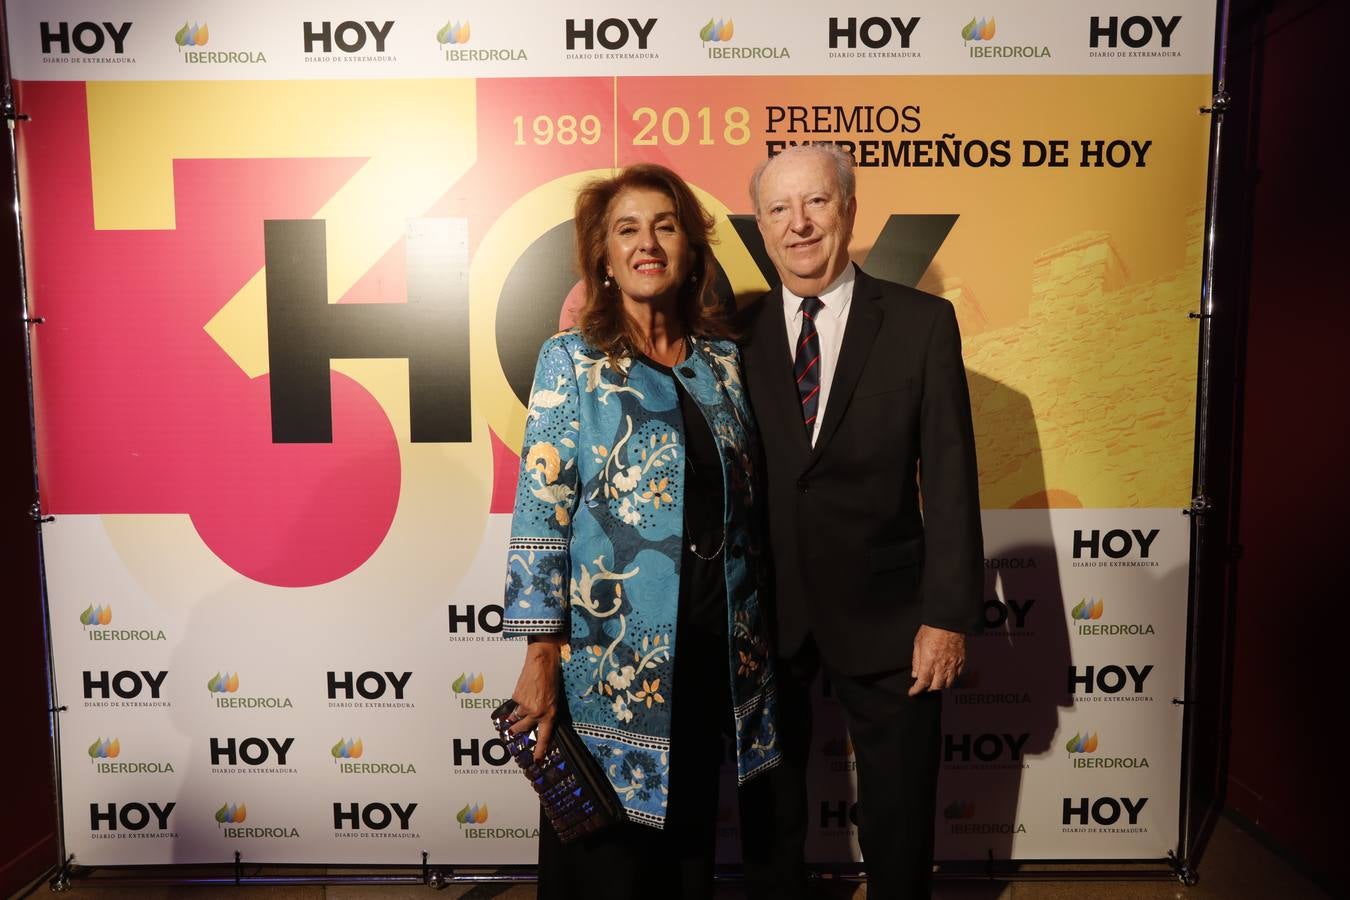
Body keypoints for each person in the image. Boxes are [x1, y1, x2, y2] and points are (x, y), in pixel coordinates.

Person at [501, 163, 780, 899]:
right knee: (607, 865)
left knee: (687, 856)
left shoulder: (723, 364)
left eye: (665, 226)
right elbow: (541, 510)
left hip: (709, 652)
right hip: (609, 663)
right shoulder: (570, 360)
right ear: (603, 255)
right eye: (627, 229)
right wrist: (540, 654)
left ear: (690, 248)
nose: (647, 243)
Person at [737, 144, 984, 898]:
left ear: (848, 209)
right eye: (779, 209)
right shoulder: (731, 333)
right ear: (761, 226)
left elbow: (951, 478)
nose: (800, 224)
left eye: (816, 202)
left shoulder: (921, 323)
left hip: (891, 614)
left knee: (899, 815)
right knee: (769, 817)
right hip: (765, 613)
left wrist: (947, 616)